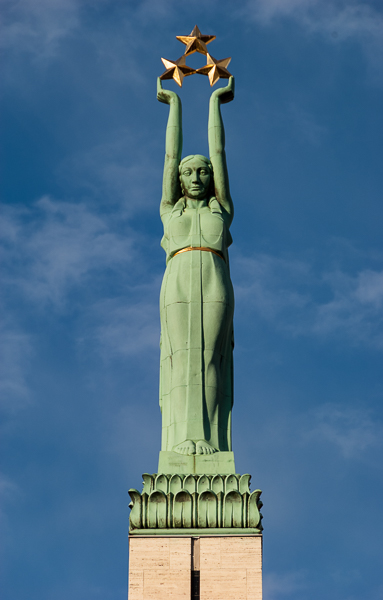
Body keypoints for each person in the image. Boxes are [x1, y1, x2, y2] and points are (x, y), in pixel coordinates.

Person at [157, 76, 235, 456]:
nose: (197, 177)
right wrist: (174, 104)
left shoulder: (223, 210)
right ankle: (182, 438)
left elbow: (219, 153)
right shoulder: (169, 211)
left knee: (209, 355)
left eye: (202, 172)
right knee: (181, 354)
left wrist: (215, 102)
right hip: (178, 279)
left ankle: (208, 437)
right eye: (189, 173)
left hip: (214, 276)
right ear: (180, 180)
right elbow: (170, 156)